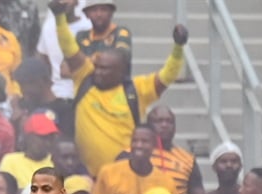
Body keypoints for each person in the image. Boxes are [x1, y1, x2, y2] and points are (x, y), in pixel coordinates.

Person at [50, 0, 186, 176]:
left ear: (121, 71)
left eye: (105, 69)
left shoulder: (137, 89)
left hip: (124, 176)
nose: (98, 71)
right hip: (85, 177)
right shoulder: (85, 77)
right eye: (98, 66)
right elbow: (69, 48)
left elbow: (167, 75)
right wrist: (60, 18)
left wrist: (178, 48)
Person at [92, 125, 176, 194]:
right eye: (135, 141)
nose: (138, 145)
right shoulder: (108, 173)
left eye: (144, 141)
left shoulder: (166, 182)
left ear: (154, 146)